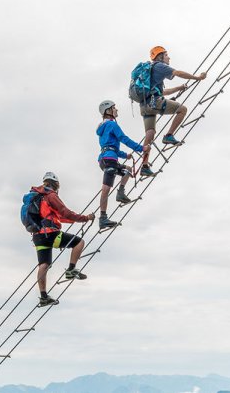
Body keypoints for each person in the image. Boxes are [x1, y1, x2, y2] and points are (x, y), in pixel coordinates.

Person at [138, 45, 207, 177]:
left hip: (145, 105)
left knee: (150, 133)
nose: (169, 57)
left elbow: (162, 91)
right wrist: (198, 77)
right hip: (153, 102)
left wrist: (179, 88)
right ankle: (169, 135)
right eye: (166, 55)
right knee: (182, 109)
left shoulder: (152, 71)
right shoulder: (159, 66)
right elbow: (178, 73)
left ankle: (145, 165)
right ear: (160, 57)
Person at [29, 172, 94, 307]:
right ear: (55, 184)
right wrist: (84, 218)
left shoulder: (38, 197)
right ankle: (71, 269)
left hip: (37, 236)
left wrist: (77, 220)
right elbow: (65, 212)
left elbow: (60, 216)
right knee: (79, 242)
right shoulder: (51, 196)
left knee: (44, 264)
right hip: (51, 234)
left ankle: (43, 296)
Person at [96, 100, 148, 229]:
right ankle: (102, 218)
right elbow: (124, 139)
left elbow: (111, 147)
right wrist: (141, 148)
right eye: (114, 108)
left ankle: (120, 192)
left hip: (105, 158)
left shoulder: (103, 127)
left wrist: (126, 155)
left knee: (128, 170)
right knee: (106, 189)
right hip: (110, 159)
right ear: (108, 111)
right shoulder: (112, 125)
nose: (117, 110)